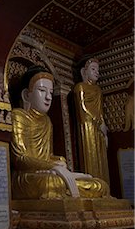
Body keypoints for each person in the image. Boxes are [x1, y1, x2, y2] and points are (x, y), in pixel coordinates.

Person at [11, 66, 109, 199]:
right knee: (51, 183)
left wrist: (59, 161)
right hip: (28, 177)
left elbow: (48, 155)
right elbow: (20, 158)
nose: (48, 97)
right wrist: (52, 165)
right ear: (26, 95)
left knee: (99, 185)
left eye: (51, 93)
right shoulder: (18, 116)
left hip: (49, 172)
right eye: (42, 90)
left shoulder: (47, 121)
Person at [74, 58, 110, 185]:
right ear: (84, 71)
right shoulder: (80, 87)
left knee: (102, 156)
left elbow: (100, 111)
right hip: (87, 126)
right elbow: (82, 108)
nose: (97, 72)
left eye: (98, 70)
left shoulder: (98, 90)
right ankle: (93, 183)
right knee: (90, 155)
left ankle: (104, 186)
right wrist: (96, 122)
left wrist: (103, 126)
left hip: (99, 127)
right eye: (93, 69)